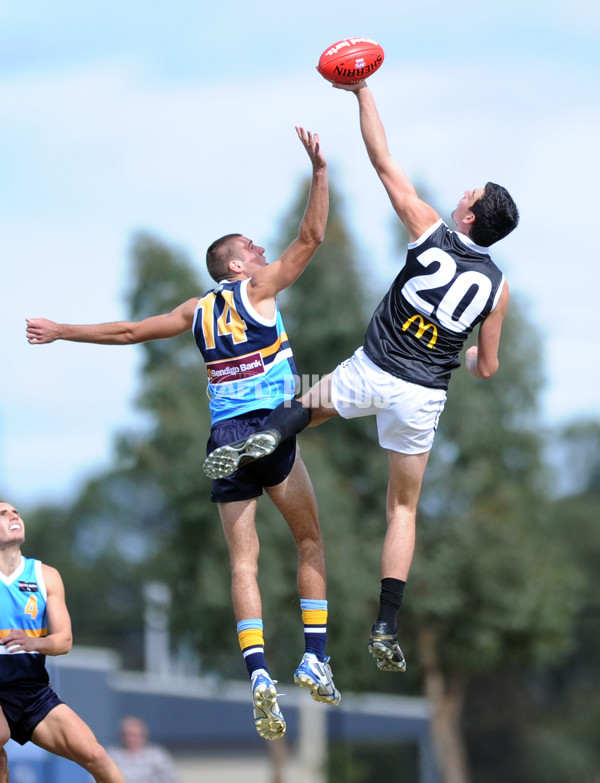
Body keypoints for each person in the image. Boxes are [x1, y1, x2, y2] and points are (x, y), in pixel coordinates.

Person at [26, 126, 340, 742]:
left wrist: (62, 329)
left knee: (242, 563)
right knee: (309, 542)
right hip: (269, 428)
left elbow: (127, 334)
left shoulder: (196, 312)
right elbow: (314, 236)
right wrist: (321, 172)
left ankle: (257, 674)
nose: (262, 249)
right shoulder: (261, 288)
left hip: (223, 437)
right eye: (253, 246)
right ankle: (314, 655)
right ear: (236, 263)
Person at [203, 81, 520, 674]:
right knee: (402, 510)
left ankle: (271, 434)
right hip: (424, 395)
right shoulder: (499, 289)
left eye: (468, 194)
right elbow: (488, 366)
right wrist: (476, 360)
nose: (459, 195)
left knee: (304, 407)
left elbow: (381, 158)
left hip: (373, 367)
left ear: (470, 216)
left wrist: (362, 91)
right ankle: (385, 624)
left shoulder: (431, 228)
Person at [0, 501, 126, 783]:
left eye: (16, 512)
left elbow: (63, 641)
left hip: (31, 692)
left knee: (95, 755)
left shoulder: (46, 576)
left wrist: (34, 643)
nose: (13, 516)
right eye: (2, 514)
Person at [106, 715, 176, 783]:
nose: (131, 739)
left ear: (144, 735)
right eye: (127, 735)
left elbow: (169, 777)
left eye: (134, 735)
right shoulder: (112, 754)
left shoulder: (156, 755)